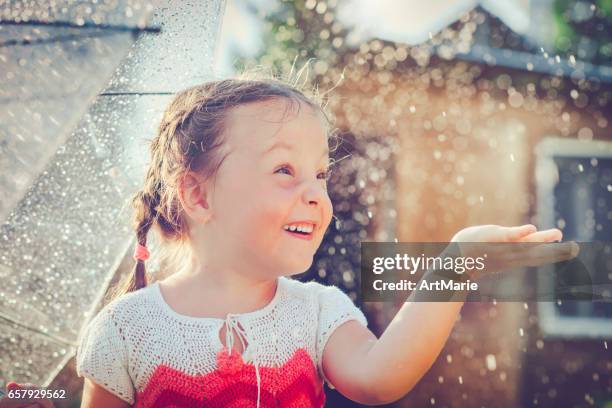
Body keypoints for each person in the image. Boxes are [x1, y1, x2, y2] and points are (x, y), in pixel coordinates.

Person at [1, 70, 576, 408]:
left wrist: (457, 260)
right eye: (285, 171)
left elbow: (381, 378)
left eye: (321, 174)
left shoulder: (316, 311)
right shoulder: (125, 329)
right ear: (198, 196)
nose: (315, 194)